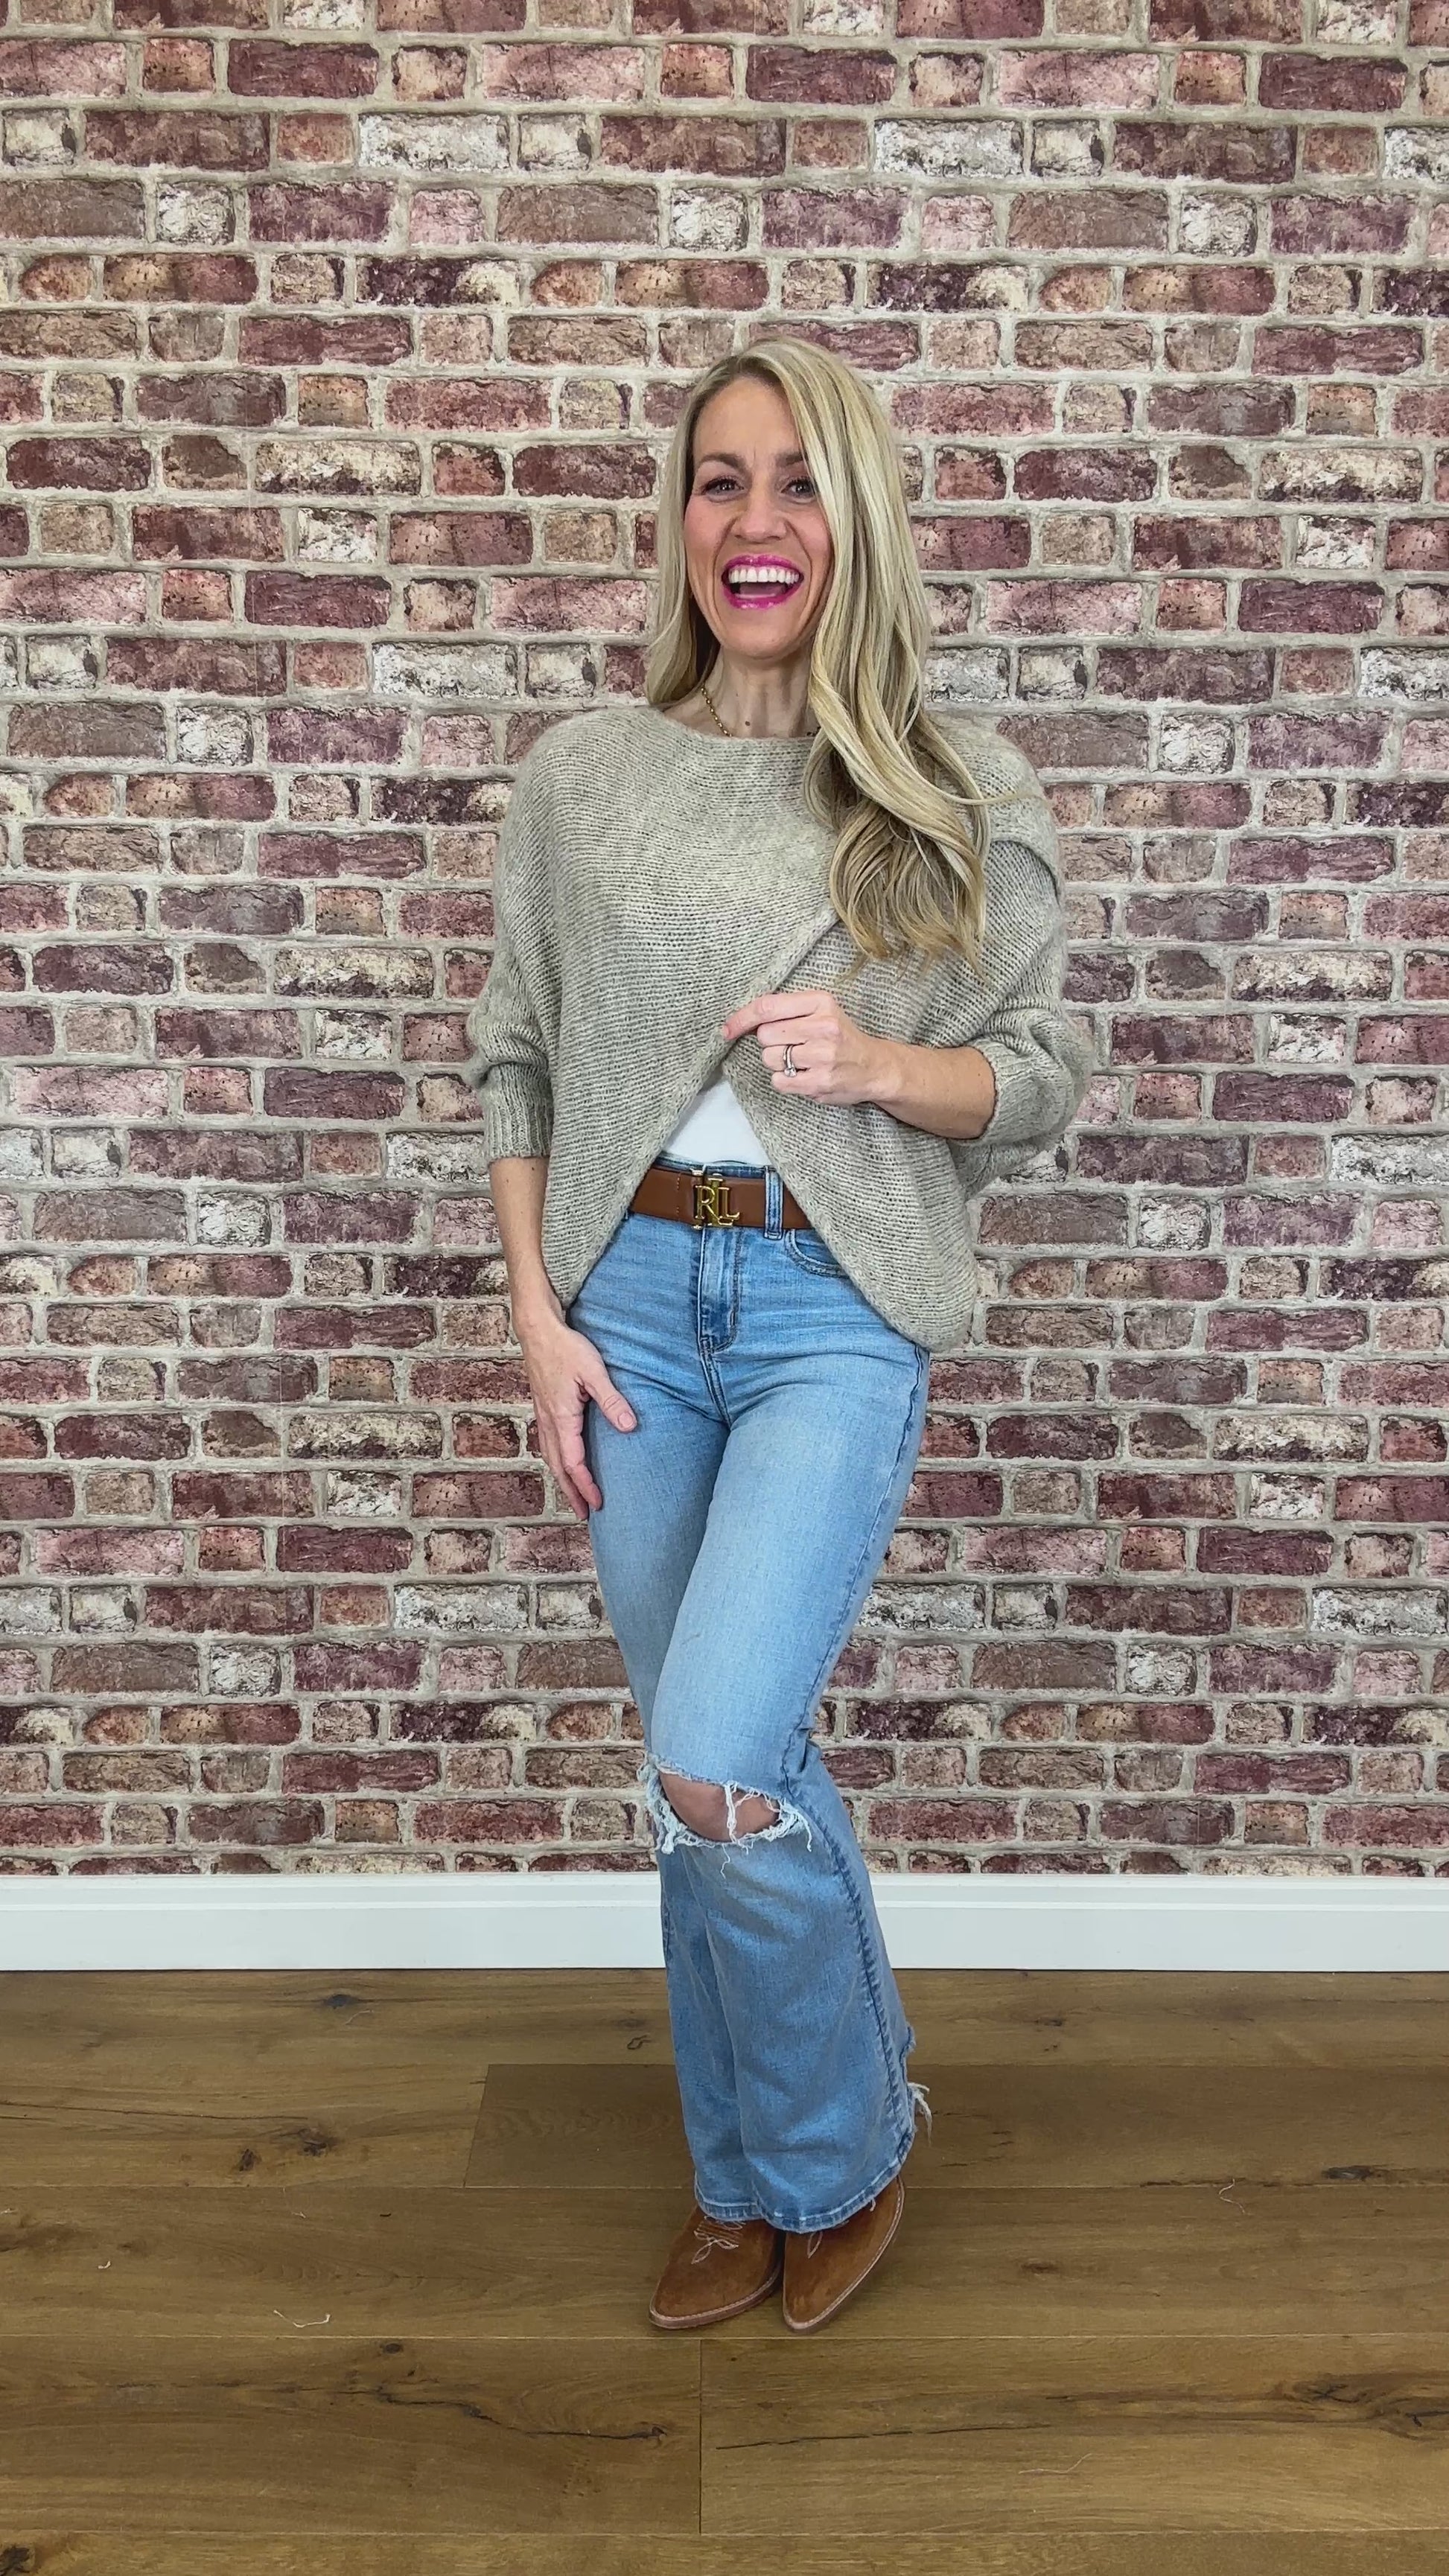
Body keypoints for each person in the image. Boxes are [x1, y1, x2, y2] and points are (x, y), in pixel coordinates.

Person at [471, 335, 1094, 2335]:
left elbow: (1044, 1073)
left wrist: (882, 1063)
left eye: (798, 480)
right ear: (680, 523)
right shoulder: (586, 775)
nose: (756, 522)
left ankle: (842, 2144)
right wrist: (535, 1317)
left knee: (721, 1754)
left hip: (832, 1307)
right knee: (693, 1779)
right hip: (631, 1309)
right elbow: (515, 1059)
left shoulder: (949, 785)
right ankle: (735, 2176)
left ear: (858, 518)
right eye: (719, 480)